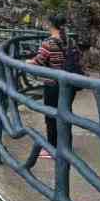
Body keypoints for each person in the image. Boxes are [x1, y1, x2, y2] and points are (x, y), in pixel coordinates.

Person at [26, 14, 79, 159]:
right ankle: (66, 146)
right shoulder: (71, 41)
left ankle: (52, 148)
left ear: (50, 25)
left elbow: (39, 61)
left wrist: (28, 62)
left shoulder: (48, 43)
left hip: (53, 85)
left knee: (51, 116)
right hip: (70, 85)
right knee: (66, 115)